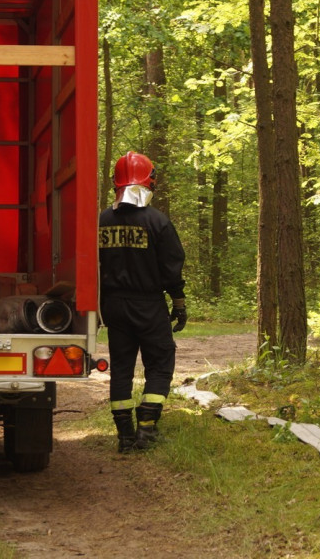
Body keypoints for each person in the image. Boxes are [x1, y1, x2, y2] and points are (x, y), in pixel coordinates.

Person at [98, 151, 187, 453]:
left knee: (121, 368)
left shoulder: (101, 221)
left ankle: (124, 435)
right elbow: (171, 267)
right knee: (161, 363)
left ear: (116, 184)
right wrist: (179, 302)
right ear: (150, 182)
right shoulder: (158, 222)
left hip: (113, 306)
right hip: (148, 305)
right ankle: (146, 429)